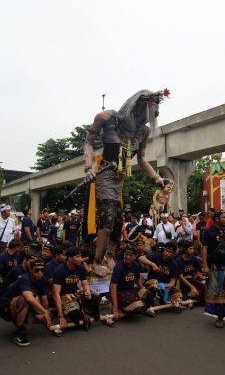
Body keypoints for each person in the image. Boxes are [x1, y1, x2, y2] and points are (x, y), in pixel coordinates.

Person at [83, 88, 171, 275]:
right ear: (137, 108)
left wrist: (157, 178)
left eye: (152, 117)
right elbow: (88, 142)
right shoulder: (107, 118)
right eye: (147, 115)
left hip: (120, 178)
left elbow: (141, 159)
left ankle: (110, 257)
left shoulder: (143, 131)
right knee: (106, 223)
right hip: (105, 176)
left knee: (116, 223)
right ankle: (96, 260)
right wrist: (89, 167)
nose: (148, 120)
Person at [0, 259, 51, 346]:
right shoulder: (24, 278)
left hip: (22, 306)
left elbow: (44, 298)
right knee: (25, 299)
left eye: (42, 270)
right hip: (5, 308)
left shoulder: (43, 279)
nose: (40, 272)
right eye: (36, 270)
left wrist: (47, 314)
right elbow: (29, 298)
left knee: (43, 317)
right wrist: (44, 312)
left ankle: (25, 323)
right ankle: (19, 333)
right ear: (31, 270)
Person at [52, 247, 100, 330]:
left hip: (76, 294)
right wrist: (61, 317)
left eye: (80, 256)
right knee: (75, 316)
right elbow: (56, 294)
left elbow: (85, 284)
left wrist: (87, 291)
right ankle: (74, 312)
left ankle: (84, 310)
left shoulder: (80, 267)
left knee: (96, 296)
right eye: (77, 257)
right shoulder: (59, 270)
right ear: (70, 259)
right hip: (64, 296)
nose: (80, 259)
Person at [110, 245, 152, 318]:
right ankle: (119, 306)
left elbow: (137, 280)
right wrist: (115, 308)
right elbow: (113, 287)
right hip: (120, 293)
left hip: (131, 291)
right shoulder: (118, 267)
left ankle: (142, 306)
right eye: (126, 254)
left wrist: (143, 290)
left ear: (135, 257)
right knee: (138, 309)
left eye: (130, 255)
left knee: (148, 294)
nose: (128, 257)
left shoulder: (136, 265)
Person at [138, 241, 182, 309]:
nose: (167, 253)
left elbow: (173, 280)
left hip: (165, 286)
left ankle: (164, 300)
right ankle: (148, 302)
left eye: (170, 252)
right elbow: (140, 258)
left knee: (178, 301)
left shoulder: (175, 264)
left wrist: (170, 285)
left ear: (174, 254)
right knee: (155, 284)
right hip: (152, 284)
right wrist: (152, 264)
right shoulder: (156, 256)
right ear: (163, 250)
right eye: (166, 250)